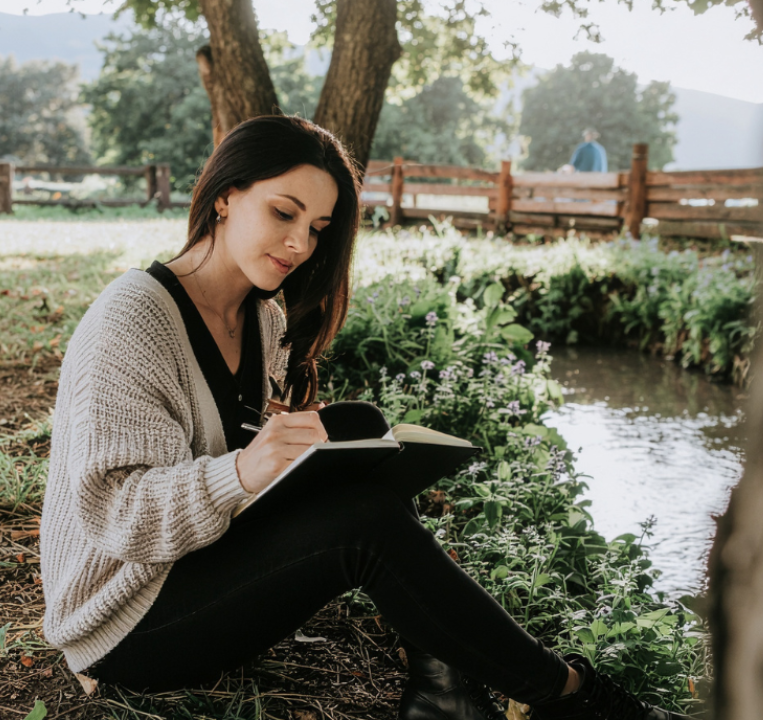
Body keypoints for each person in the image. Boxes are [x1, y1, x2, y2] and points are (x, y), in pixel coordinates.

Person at [40, 115, 688, 720]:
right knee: (364, 524)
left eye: (318, 228)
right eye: (283, 212)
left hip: (187, 564)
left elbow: (227, 439)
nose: (299, 243)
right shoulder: (135, 317)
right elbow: (118, 514)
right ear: (224, 196)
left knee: (357, 430)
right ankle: (569, 695)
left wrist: (294, 453)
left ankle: (445, 690)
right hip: (122, 618)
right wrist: (243, 470)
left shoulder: (262, 314)